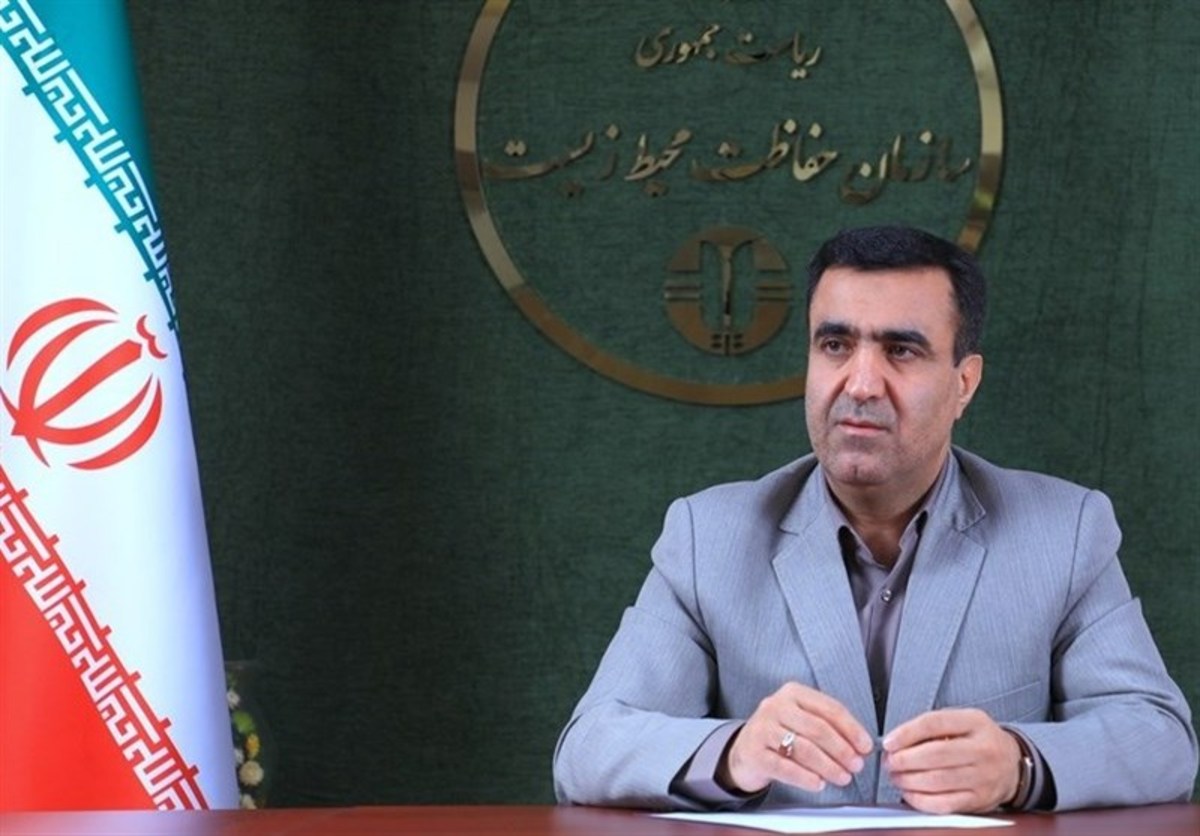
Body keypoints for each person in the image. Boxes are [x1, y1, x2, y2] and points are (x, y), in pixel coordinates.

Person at [552, 225, 1197, 813]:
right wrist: (733, 751)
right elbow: (588, 749)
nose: (861, 383)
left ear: (964, 384)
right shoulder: (707, 537)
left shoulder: (1064, 532)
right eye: (835, 345)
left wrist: (1018, 765)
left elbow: (1162, 740)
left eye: (902, 350)